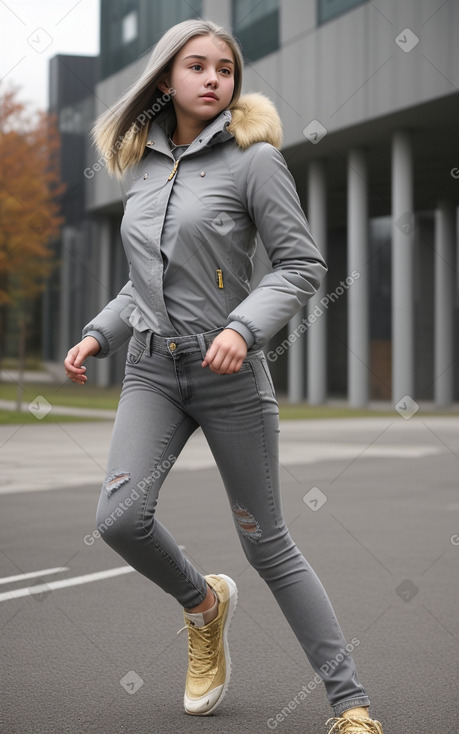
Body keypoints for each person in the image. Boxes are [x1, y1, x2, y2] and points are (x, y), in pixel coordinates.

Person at [64, 19, 384, 734]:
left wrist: (244, 328)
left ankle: (349, 703)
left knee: (266, 543)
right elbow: (140, 284)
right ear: (164, 78)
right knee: (117, 519)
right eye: (197, 66)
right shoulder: (140, 167)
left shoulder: (254, 160)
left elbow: (302, 266)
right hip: (149, 369)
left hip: (227, 372)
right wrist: (97, 334)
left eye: (225, 69)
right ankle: (203, 605)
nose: (213, 79)